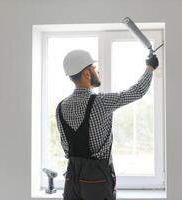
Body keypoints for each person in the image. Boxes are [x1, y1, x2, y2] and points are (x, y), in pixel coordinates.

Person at [55, 49, 159, 200]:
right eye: (94, 68)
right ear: (87, 74)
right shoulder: (101, 102)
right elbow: (136, 92)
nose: (98, 71)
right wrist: (150, 68)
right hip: (96, 178)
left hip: (71, 178)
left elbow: (66, 147)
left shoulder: (61, 107)